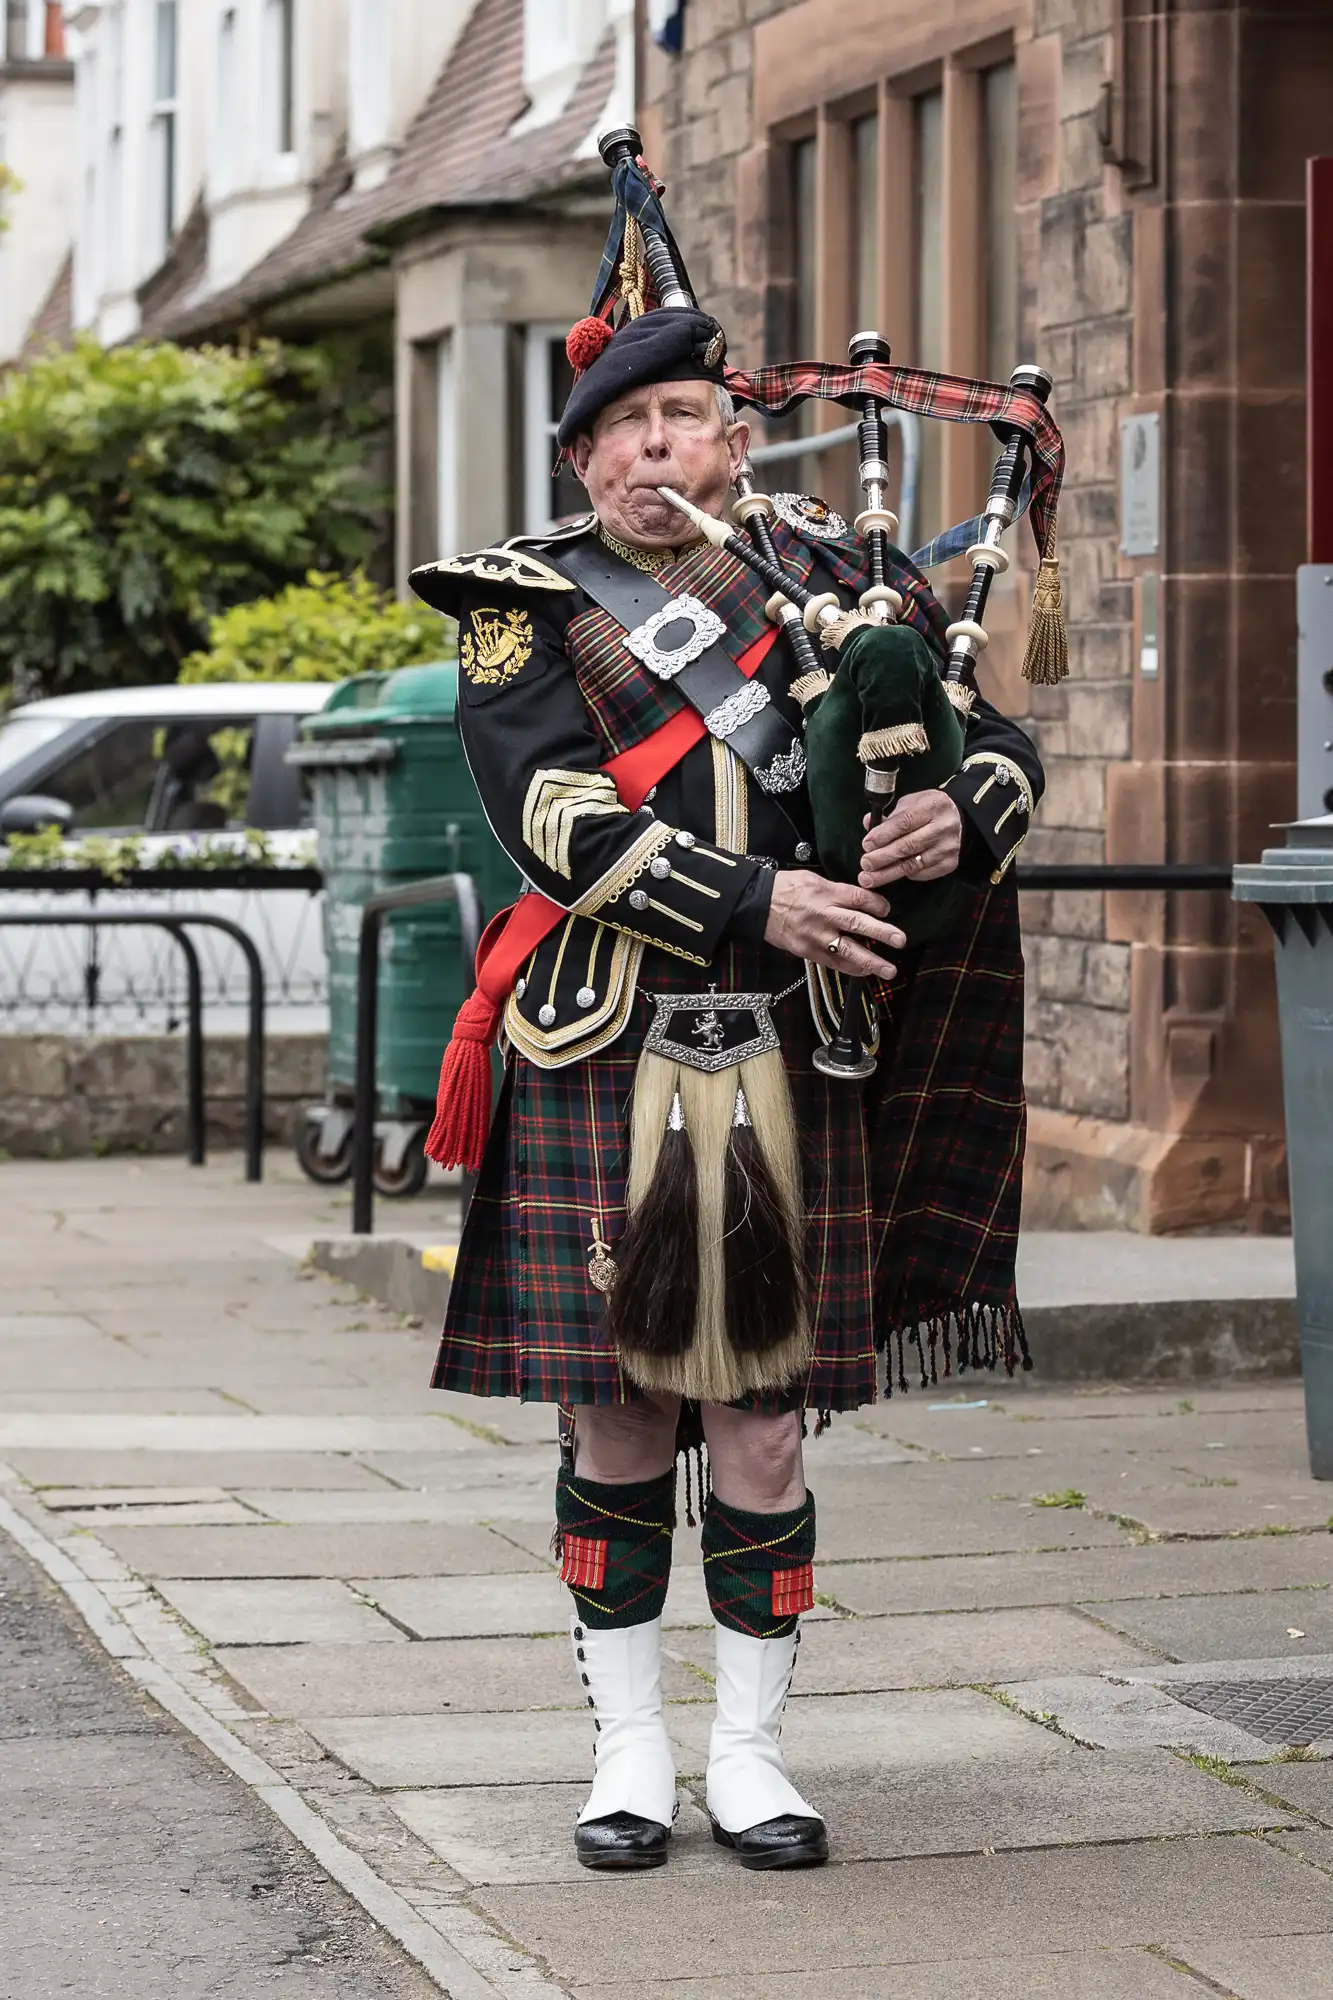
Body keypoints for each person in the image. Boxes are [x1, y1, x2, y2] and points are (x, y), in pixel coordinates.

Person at [410, 176, 1051, 1877]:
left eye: (683, 417)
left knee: (763, 1424)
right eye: (619, 430)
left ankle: (753, 1754)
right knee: (614, 1416)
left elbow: (994, 747)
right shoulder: (520, 603)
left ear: (732, 440)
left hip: (799, 1048)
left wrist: (958, 821)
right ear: (579, 464)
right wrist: (759, 898)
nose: (652, 454)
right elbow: (548, 815)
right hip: (601, 1044)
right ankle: (627, 1746)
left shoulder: (847, 581)